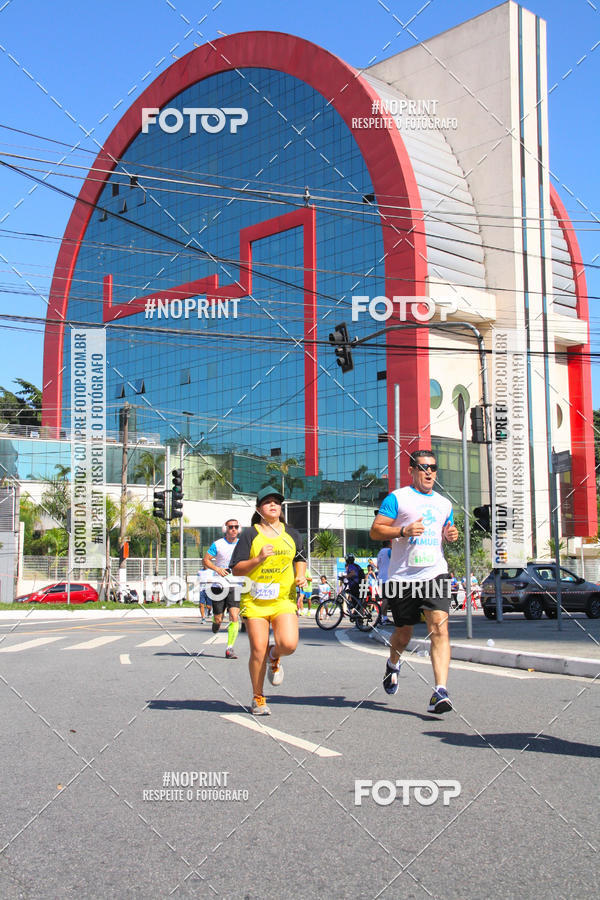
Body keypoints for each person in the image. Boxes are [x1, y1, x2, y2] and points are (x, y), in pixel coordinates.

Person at [369, 449, 459, 713]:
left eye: (433, 467)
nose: (429, 472)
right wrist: (402, 530)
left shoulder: (444, 503)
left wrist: (450, 534)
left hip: (435, 573)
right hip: (403, 578)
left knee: (439, 628)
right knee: (403, 634)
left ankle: (440, 691)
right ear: (411, 470)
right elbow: (375, 530)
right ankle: (393, 664)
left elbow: (446, 530)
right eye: (423, 467)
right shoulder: (398, 498)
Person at [230, 486, 306, 716]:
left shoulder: (292, 534)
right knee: (257, 649)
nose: (273, 505)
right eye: (267, 502)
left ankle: (274, 656)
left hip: (283, 599)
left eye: (277, 502)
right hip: (254, 601)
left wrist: (301, 575)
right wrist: (259, 558)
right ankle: (258, 697)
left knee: (289, 644)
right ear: (258, 509)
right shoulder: (249, 535)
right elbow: (236, 569)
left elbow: (300, 557)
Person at [203, 518, 242, 659]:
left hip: (236, 584)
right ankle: (216, 622)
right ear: (225, 529)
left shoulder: (243, 544)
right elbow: (206, 560)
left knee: (234, 616)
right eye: (230, 527)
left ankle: (229, 648)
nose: (233, 529)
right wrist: (217, 569)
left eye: (236, 526)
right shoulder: (218, 544)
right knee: (219, 618)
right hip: (219, 584)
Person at [376, 540, 391, 623]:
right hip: (387, 578)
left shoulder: (379, 553)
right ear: (389, 544)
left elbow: (378, 567)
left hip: (381, 578)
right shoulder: (389, 551)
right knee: (387, 599)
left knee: (385, 598)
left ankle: (384, 617)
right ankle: (380, 617)